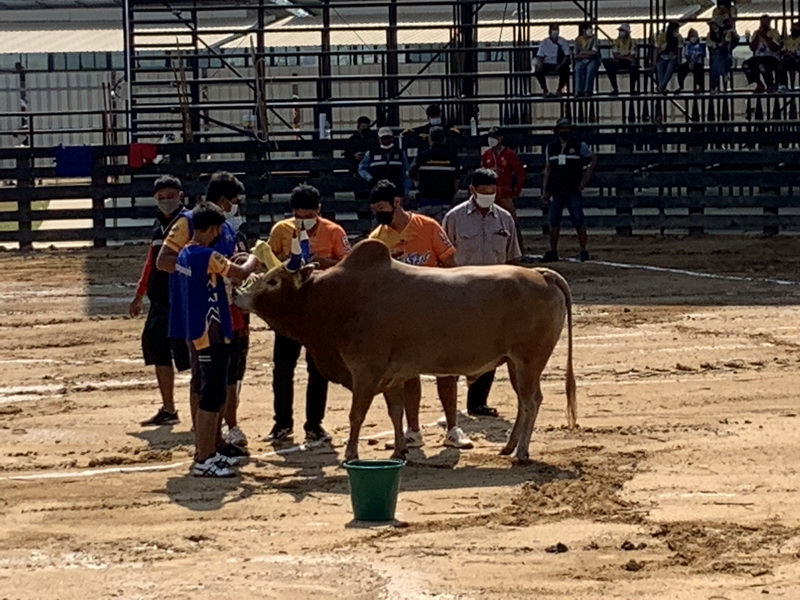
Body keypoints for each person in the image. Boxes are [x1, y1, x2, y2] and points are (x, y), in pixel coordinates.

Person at [368, 180, 472, 449]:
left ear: (397, 203)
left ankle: (452, 427)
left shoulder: (428, 227)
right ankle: (413, 430)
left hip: (437, 310)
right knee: (407, 373)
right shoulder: (376, 239)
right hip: (401, 318)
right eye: (375, 210)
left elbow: (450, 263)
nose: (380, 215)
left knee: (447, 370)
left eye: (383, 209)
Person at [157, 171, 249, 456]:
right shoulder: (190, 222)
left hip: (227, 309)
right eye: (233, 201)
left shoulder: (225, 226)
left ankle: (217, 439)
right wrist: (204, 273)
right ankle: (204, 443)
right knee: (204, 377)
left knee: (225, 376)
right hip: (201, 311)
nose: (235, 206)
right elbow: (164, 260)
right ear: (223, 200)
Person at [171, 202, 259, 477]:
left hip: (200, 329)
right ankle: (205, 457)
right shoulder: (206, 255)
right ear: (213, 228)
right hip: (212, 332)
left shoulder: (185, 253)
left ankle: (209, 450)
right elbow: (241, 273)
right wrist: (256, 255)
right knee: (211, 395)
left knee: (212, 391)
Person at [265, 183, 351, 442]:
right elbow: (268, 262)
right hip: (289, 311)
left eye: (309, 216)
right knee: (283, 368)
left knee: (318, 369)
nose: (304, 221)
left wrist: (326, 263)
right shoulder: (281, 230)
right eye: (299, 217)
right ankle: (282, 423)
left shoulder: (334, 232)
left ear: (319, 210)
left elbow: (348, 265)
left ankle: (314, 424)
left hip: (320, 311)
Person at [442, 168, 522, 418]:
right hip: (461, 292)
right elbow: (444, 255)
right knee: (454, 347)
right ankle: (451, 404)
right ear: (472, 190)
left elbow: (512, 258)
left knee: (491, 347)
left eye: (492, 191)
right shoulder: (454, 218)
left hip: (495, 294)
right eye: (484, 191)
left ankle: (477, 402)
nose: (488, 195)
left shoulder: (505, 219)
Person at [130, 175, 191, 427]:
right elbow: (151, 261)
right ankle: (169, 408)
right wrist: (140, 293)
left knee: (194, 355)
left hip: (184, 300)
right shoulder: (159, 226)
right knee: (159, 353)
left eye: (170, 196)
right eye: (161, 197)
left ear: (181, 196)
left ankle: (210, 409)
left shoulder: (189, 222)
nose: (166, 201)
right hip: (160, 300)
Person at [541, 118, 597, 263]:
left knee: (577, 220)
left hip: (572, 189)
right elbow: (548, 169)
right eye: (562, 128)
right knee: (555, 221)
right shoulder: (551, 147)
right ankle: (554, 250)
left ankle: (583, 250)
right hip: (557, 189)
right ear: (558, 130)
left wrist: (584, 181)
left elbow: (593, 159)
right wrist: (545, 189)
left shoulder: (578, 145)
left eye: (566, 128)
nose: (564, 131)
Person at [481, 126, 526, 254]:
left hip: (505, 194)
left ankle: (519, 251)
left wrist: (515, 192)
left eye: (494, 137)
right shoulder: (487, 155)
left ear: (501, 138)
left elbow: (520, 174)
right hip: (489, 194)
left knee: (512, 223)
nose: (491, 140)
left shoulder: (510, 154)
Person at [408, 126, 462, 222]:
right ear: (444, 139)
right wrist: (452, 195)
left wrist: (420, 182)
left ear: (429, 139)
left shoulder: (422, 156)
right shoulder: (452, 157)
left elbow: (411, 173)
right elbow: (457, 180)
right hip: (445, 202)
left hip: (425, 202)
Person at [358, 126, 411, 196]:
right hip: (378, 189)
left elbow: (405, 173)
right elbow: (362, 168)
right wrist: (370, 178)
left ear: (392, 138)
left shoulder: (400, 153)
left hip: (397, 189)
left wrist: (406, 190)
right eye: (383, 138)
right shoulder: (371, 153)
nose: (386, 140)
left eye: (388, 137)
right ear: (379, 139)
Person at [743, 15, 782, 93]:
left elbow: (775, 48)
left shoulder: (774, 32)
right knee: (746, 65)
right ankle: (758, 83)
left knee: (762, 65)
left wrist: (766, 37)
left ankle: (770, 84)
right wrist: (757, 36)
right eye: (762, 22)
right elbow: (752, 48)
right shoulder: (756, 33)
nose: (763, 24)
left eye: (765, 22)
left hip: (771, 57)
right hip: (758, 56)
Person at [534, 23, 572, 97]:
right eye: (554, 29)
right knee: (538, 70)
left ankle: (559, 90)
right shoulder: (544, 42)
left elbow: (566, 55)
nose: (556, 31)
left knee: (566, 69)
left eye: (557, 29)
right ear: (550, 31)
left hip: (559, 63)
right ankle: (545, 90)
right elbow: (540, 56)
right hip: (547, 63)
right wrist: (539, 64)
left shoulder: (563, 41)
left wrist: (560, 65)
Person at [603, 23, 640, 95]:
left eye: (622, 30)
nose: (620, 32)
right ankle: (615, 89)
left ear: (627, 32)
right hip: (620, 61)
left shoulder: (633, 42)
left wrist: (622, 56)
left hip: (627, 62)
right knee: (610, 68)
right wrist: (626, 57)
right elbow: (616, 55)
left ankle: (632, 89)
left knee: (634, 67)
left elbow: (632, 55)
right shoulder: (616, 42)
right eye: (620, 30)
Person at [573, 22, 601, 97]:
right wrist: (586, 54)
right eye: (589, 28)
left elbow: (594, 52)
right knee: (578, 68)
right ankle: (578, 90)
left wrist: (583, 52)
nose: (591, 30)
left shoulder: (594, 39)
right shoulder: (578, 40)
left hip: (593, 60)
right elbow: (575, 55)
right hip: (581, 60)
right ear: (584, 30)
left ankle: (587, 91)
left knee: (590, 68)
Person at [655, 21, 684, 93]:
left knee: (670, 67)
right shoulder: (662, 36)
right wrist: (654, 61)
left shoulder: (679, 37)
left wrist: (679, 61)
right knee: (660, 67)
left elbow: (679, 50)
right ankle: (662, 86)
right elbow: (656, 49)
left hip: (673, 57)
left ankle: (662, 85)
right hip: (662, 56)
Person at [708, 19, 735, 92]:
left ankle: (713, 87)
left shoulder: (726, 33)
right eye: (712, 25)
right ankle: (724, 75)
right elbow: (711, 48)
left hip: (726, 56)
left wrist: (718, 46)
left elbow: (725, 46)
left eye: (714, 24)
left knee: (715, 64)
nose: (713, 26)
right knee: (716, 61)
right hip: (717, 57)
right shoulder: (709, 35)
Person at [778, 22, 800, 91]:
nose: (793, 30)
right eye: (792, 29)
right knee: (780, 65)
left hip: (798, 58)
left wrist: (796, 53)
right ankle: (783, 85)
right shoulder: (788, 39)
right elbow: (783, 48)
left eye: (796, 29)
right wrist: (785, 51)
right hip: (788, 58)